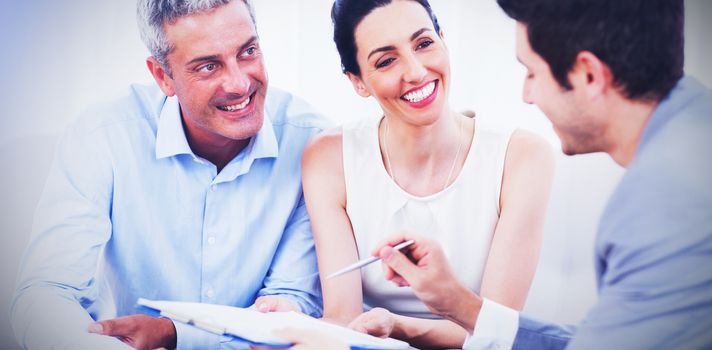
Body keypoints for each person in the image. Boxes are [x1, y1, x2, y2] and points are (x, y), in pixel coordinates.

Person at [352, 0, 712, 348]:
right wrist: (461, 305)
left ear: (588, 74)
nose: (527, 95)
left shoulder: (667, 204)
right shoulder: (692, 134)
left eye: (532, 72)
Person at [11, 0, 329, 349]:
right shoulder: (102, 137)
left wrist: (174, 334)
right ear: (163, 77)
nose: (239, 84)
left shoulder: (313, 143)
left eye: (248, 51)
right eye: (208, 66)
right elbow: (47, 294)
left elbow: (291, 306)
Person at [300, 0, 554, 348]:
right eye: (386, 61)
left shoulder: (523, 157)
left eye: (423, 44)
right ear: (358, 82)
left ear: (443, 41)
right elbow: (343, 318)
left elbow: (496, 332)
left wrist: (399, 325)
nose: (417, 72)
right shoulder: (328, 157)